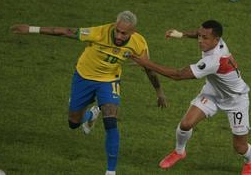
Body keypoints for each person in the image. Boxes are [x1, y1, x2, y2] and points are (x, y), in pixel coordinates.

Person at [10, 10, 168, 175]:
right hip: (84, 77)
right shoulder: (99, 33)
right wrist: (30, 29)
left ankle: (111, 171)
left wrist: (159, 92)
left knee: (111, 121)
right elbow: (65, 32)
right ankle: (91, 116)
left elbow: (149, 70)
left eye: (124, 33)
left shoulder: (139, 43)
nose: (119, 36)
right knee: (73, 123)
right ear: (114, 26)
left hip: (109, 80)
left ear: (133, 32)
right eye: (118, 31)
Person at [129, 20, 251, 175]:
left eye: (205, 38)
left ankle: (249, 162)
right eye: (200, 36)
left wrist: (146, 63)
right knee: (186, 124)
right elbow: (199, 33)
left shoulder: (214, 60)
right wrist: (181, 34)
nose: (200, 40)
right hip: (213, 92)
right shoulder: (216, 40)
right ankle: (179, 152)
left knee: (240, 147)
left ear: (216, 40)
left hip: (236, 100)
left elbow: (178, 75)